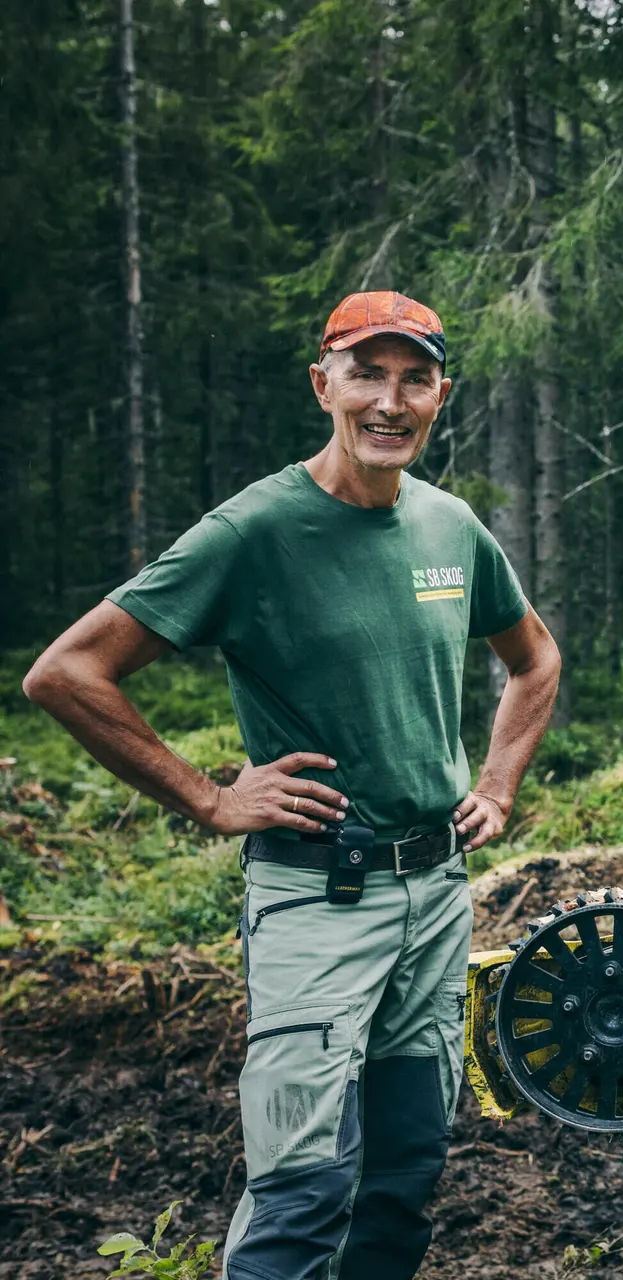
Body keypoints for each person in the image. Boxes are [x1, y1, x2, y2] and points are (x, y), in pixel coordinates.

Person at [23, 290, 562, 1280]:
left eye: (414, 377)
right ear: (325, 385)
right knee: (304, 1189)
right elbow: (66, 672)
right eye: (367, 373)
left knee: (403, 1176)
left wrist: (498, 779)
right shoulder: (255, 531)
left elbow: (534, 660)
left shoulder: (450, 527)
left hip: (435, 897)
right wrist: (209, 797)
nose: (390, 400)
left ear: (441, 394)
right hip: (319, 897)